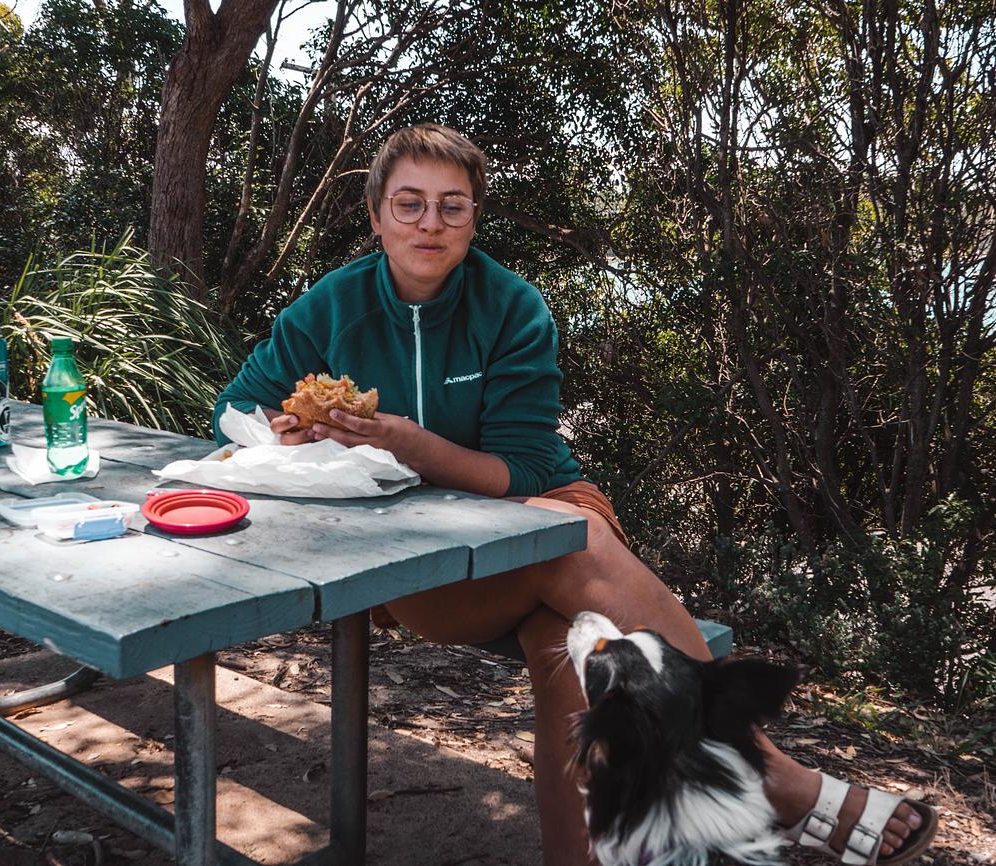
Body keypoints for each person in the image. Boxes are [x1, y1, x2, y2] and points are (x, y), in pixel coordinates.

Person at [213, 124, 936, 866]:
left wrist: (406, 442)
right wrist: (287, 432)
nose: (429, 224)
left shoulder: (510, 305)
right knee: (572, 563)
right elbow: (233, 408)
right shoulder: (332, 306)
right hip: (428, 555)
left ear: (473, 217)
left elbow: (526, 470)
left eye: (451, 207)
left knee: (575, 642)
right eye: (408, 204)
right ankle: (765, 772)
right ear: (375, 216)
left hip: (554, 505)